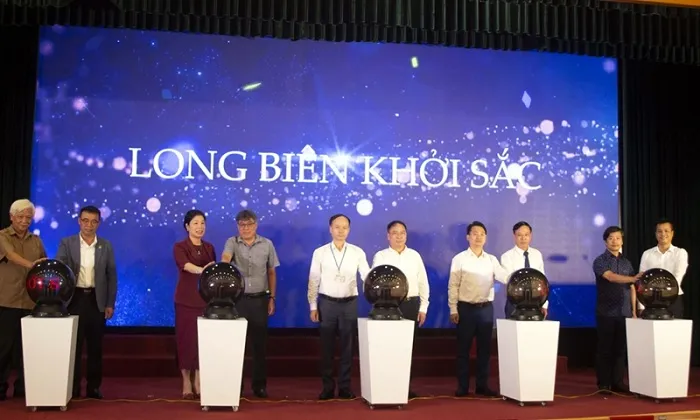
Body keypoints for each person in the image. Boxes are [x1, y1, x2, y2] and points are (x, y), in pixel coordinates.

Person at [55, 205, 117, 399]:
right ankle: (72, 387)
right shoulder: (67, 243)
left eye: (93, 221)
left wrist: (110, 303)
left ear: (99, 223)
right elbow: (60, 270)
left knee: (95, 347)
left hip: (96, 301)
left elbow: (111, 276)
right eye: (85, 221)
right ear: (79, 221)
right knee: (73, 346)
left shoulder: (105, 245)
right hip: (74, 299)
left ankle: (93, 387)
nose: (89, 225)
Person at [307, 214, 371, 400]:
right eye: (337, 227)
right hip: (327, 303)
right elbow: (313, 280)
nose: (341, 231)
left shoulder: (357, 252)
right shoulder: (320, 252)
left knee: (347, 348)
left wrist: (376, 287)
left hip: (349, 303)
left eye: (344, 227)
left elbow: (366, 276)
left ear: (349, 230)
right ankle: (327, 387)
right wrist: (313, 305)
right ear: (330, 229)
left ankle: (345, 387)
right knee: (326, 348)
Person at [221, 210, 280, 398]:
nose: (245, 228)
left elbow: (271, 272)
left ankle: (259, 386)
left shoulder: (267, 244)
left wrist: (272, 298)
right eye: (242, 225)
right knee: (235, 346)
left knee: (259, 346)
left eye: (249, 224)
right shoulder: (232, 242)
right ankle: (235, 386)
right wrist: (225, 262)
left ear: (256, 225)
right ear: (237, 226)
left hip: (260, 300)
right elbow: (225, 259)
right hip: (237, 301)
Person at [448, 221, 508, 397]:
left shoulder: (491, 260)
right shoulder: (459, 259)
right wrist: (453, 309)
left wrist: (518, 276)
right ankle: (463, 387)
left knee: (484, 350)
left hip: (485, 309)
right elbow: (453, 285)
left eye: (482, 234)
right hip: (465, 309)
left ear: (486, 238)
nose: (478, 237)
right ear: (468, 237)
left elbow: (504, 277)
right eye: (475, 233)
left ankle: (482, 385)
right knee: (463, 350)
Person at [371, 220, 429, 399]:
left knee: (407, 349)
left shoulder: (414, 256)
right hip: (388, 306)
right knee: (387, 347)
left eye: (402, 233)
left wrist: (423, 307)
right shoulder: (381, 256)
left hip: (411, 305)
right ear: (388, 236)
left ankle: (404, 387)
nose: (399, 236)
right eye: (394, 233)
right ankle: (386, 386)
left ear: (406, 235)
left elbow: (423, 282)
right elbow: (374, 283)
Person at [0, 199, 47, 401]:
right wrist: (32, 265)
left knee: (26, 349)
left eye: (28, 217)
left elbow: (43, 263)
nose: (24, 221)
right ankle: (1, 387)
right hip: (6, 301)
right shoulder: (2, 236)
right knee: (4, 347)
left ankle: (23, 388)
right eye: (20, 216)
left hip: (30, 302)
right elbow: (11, 255)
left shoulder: (36, 240)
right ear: (11, 217)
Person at [173, 209, 216, 400]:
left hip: (205, 300)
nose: (200, 227)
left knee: (202, 341)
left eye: (202, 223)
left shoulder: (209, 248)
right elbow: (185, 265)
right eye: (196, 223)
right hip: (186, 300)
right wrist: (202, 270)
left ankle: (198, 380)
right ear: (187, 226)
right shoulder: (180, 247)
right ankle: (186, 381)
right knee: (186, 340)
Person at [592, 226, 640, 394]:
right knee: (605, 349)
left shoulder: (627, 262)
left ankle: (618, 382)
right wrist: (632, 278)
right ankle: (604, 384)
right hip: (606, 312)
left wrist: (634, 311)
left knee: (620, 350)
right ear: (605, 241)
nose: (615, 241)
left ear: (622, 241)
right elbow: (610, 277)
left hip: (624, 312)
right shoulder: (600, 261)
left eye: (618, 238)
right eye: (611, 238)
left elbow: (632, 288)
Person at [638, 219, 688, 319]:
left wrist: (665, 292)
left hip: (673, 299)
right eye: (659, 231)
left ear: (672, 233)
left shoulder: (680, 253)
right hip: (650, 301)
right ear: (656, 234)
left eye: (666, 231)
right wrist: (641, 306)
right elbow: (642, 280)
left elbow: (678, 276)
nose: (663, 234)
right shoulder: (647, 254)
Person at [500, 221, 548, 319]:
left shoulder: (537, 254)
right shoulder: (507, 256)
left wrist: (544, 304)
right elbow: (509, 281)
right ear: (514, 236)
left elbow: (542, 280)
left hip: (536, 303)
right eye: (519, 235)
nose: (523, 238)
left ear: (530, 235)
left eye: (526, 235)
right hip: (515, 303)